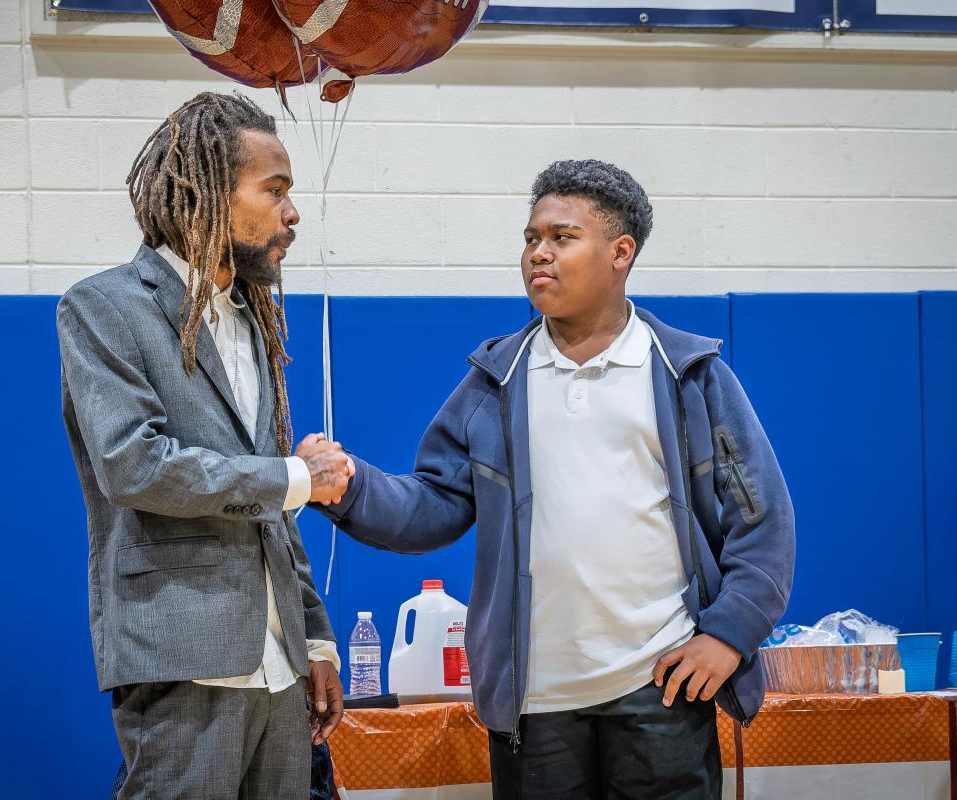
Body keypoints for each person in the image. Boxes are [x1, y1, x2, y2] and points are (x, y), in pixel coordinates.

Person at [308, 160, 795, 798]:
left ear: (621, 252)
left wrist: (727, 636)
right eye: (531, 238)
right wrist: (350, 487)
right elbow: (433, 505)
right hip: (535, 702)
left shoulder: (690, 376)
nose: (539, 253)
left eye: (563, 238)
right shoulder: (495, 381)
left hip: (662, 689)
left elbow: (763, 522)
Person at [57, 91, 353, 800]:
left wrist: (314, 636)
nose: (292, 213)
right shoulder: (103, 306)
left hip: (281, 664)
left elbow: (271, 499)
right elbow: (135, 467)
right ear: (211, 192)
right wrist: (295, 476)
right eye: (274, 190)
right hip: (182, 651)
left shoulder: (255, 318)